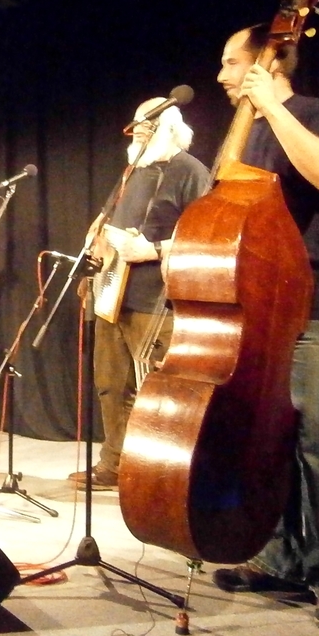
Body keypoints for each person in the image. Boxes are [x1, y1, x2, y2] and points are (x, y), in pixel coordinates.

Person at [210, 23, 319, 632]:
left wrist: (273, 106)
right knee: (266, 437)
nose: (221, 75)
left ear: (267, 63)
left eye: (230, 62)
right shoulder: (244, 135)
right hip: (259, 303)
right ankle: (277, 559)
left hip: (316, 300)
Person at [68, 100, 210, 491]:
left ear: (166, 127)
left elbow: (204, 237)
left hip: (157, 301)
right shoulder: (133, 171)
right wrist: (95, 246)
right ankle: (115, 465)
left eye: (144, 126)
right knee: (111, 385)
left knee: (159, 392)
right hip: (113, 294)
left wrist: (152, 250)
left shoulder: (191, 171)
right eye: (135, 126)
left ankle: (160, 476)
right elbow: (105, 221)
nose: (136, 133)